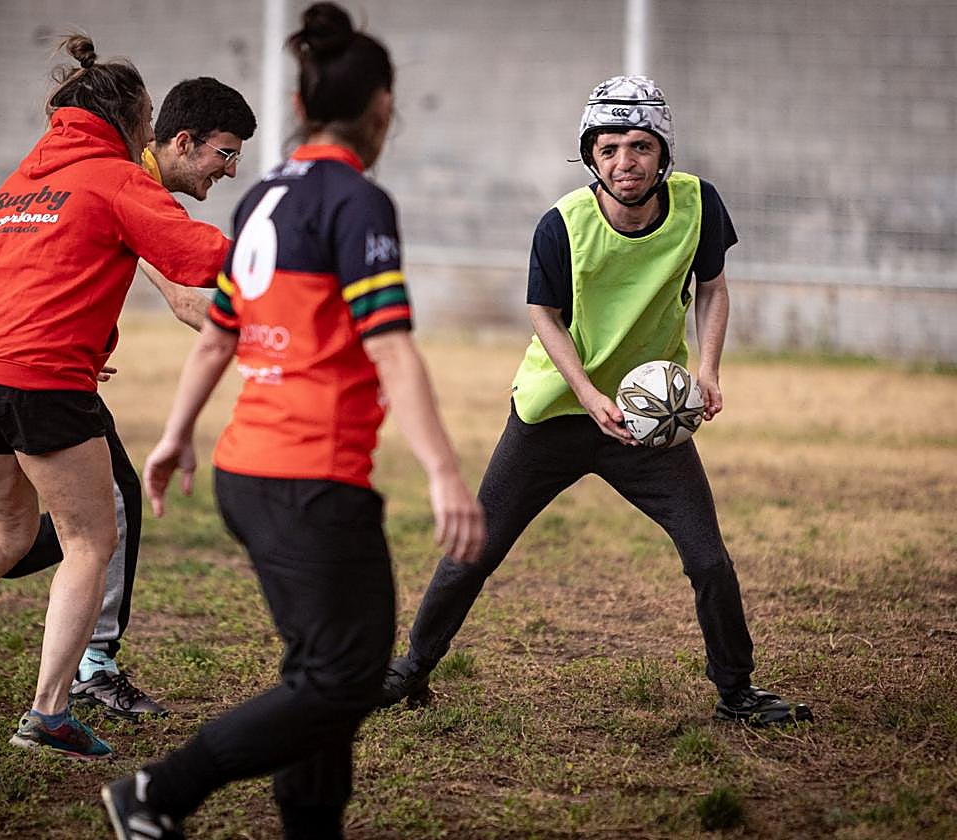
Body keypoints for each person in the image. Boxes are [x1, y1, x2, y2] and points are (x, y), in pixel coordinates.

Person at [100, 4, 485, 837]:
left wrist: (175, 435)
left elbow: (219, 338)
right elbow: (390, 351)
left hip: (250, 472)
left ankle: (311, 828)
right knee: (345, 677)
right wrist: (447, 473)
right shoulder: (357, 202)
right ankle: (157, 793)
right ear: (381, 108)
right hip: (309, 479)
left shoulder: (265, 194)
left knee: (323, 669)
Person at [0, 35, 243, 759]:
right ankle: (51, 713)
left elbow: (12, 274)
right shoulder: (117, 177)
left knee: (7, 533)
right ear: (126, 119)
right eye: (146, 117)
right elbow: (198, 258)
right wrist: (285, 249)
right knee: (92, 538)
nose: (149, 133)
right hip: (37, 375)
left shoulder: (20, 184)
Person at [378, 75, 813, 727]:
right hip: (554, 412)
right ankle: (410, 670)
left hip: (646, 417)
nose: (624, 162)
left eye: (640, 146)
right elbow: (542, 314)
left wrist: (710, 369)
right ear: (591, 156)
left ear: (664, 152)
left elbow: (714, 287)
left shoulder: (700, 205)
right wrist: (586, 391)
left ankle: (737, 692)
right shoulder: (564, 223)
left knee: (708, 558)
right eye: (608, 148)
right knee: (478, 546)